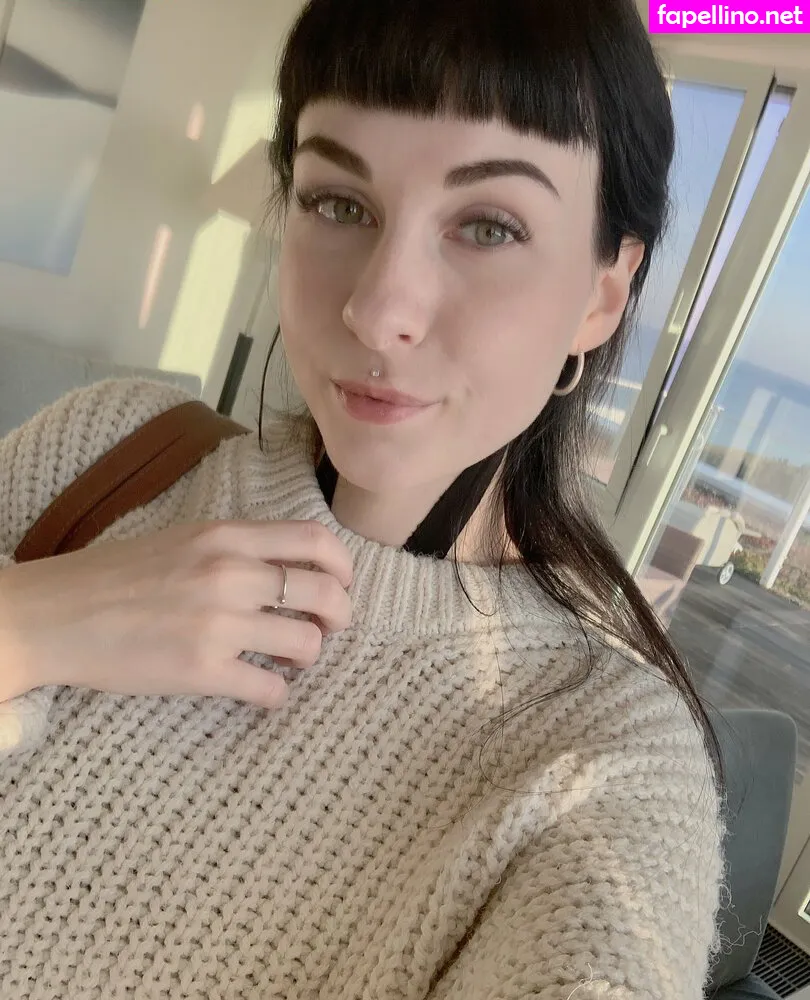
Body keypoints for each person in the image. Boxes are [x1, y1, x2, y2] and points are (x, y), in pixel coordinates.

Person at [0, 0, 727, 997]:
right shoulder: (109, 447)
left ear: (603, 295)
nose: (379, 310)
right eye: (339, 203)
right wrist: (32, 620)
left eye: (488, 226)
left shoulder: (603, 758)